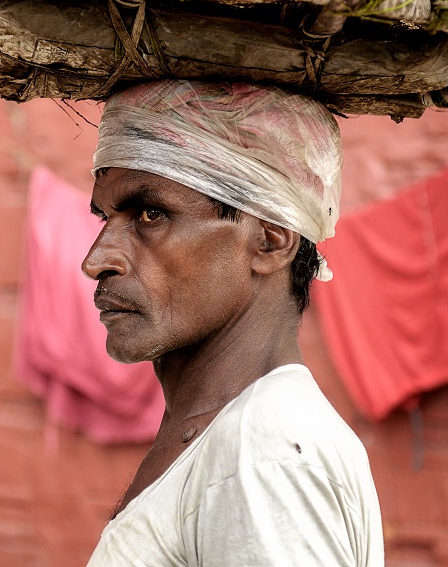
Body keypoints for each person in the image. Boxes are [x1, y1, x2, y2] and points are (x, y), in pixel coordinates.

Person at [81, 80, 384, 566]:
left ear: (270, 241)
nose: (96, 260)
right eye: (105, 218)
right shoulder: (230, 436)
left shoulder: (262, 454)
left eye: (151, 214)